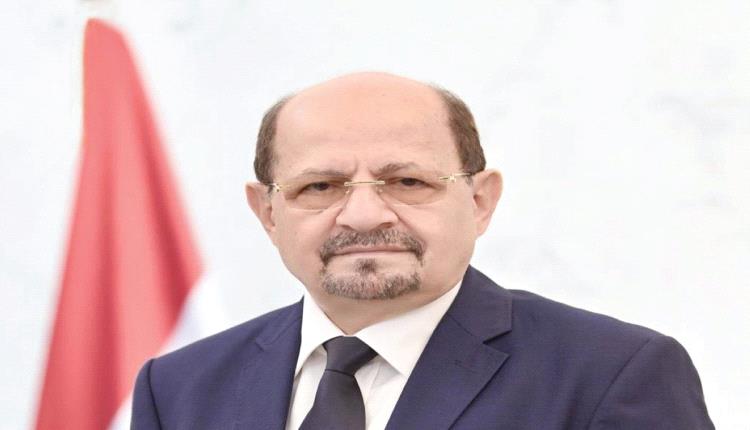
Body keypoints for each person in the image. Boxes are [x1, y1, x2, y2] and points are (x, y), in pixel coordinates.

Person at [131, 72, 714, 429]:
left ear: (480, 201)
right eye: (321, 186)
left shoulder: (611, 373)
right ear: (268, 213)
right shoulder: (179, 387)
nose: (364, 215)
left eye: (408, 181)